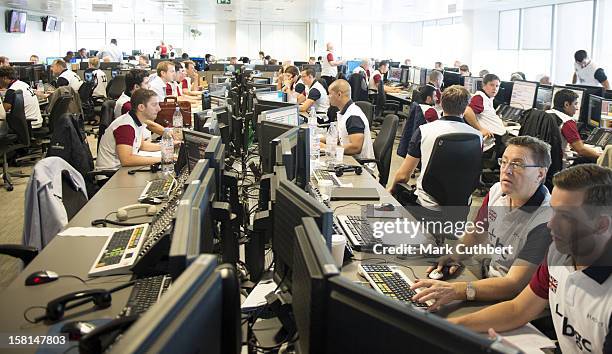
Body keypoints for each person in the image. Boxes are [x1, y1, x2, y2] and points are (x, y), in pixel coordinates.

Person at [449, 164, 612, 354]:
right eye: (553, 211)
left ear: (601, 225)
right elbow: (518, 310)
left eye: (565, 216)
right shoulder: (558, 253)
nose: (551, 224)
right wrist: (447, 326)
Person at [411, 136, 553, 310]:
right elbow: (477, 232)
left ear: (540, 173)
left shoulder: (546, 219)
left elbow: (514, 284)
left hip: (514, 301)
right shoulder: (496, 191)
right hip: (487, 278)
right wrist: (455, 255)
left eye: (517, 165)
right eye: (504, 162)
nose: (506, 170)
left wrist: (458, 290)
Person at [388, 85, 482, 208]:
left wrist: (390, 190)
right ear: (465, 109)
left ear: (441, 104)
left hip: (425, 206)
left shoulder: (424, 131)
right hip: (461, 208)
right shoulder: (478, 136)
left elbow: (403, 175)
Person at [97, 89, 163, 169]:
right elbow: (127, 160)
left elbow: (141, 145)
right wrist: (162, 159)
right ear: (141, 107)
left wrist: (167, 147)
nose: (159, 109)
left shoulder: (137, 121)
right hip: (111, 175)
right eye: (154, 105)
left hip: (122, 170)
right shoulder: (125, 127)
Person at [321, 79, 375, 161]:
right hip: (348, 157)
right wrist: (316, 140)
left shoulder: (353, 116)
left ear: (339, 94)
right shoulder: (345, 112)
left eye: (330, 94)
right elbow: (339, 137)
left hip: (359, 164)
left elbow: (355, 147)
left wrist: (327, 147)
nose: (328, 97)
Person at [547, 89, 601, 162]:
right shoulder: (567, 121)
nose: (577, 108)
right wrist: (602, 156)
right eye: (575, 104)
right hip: (562, 165)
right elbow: (581, 150)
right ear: (566, 104)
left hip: (546, 161)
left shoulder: (545, 114)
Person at [464, 73, 506, 155]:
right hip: (491, 143)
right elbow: (467, 112)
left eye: (497, 86)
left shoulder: (488, 98)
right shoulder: (479, 97)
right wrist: (480, 129)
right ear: (484, 85)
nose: (495, 88)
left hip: (497, 139)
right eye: (491, 85)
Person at [114, 69, 164, 136]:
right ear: (136, 87)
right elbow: (150, 125)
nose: (149, 86)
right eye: (146, 83)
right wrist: (168, 133)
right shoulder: (126, 105)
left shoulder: (136, 99)